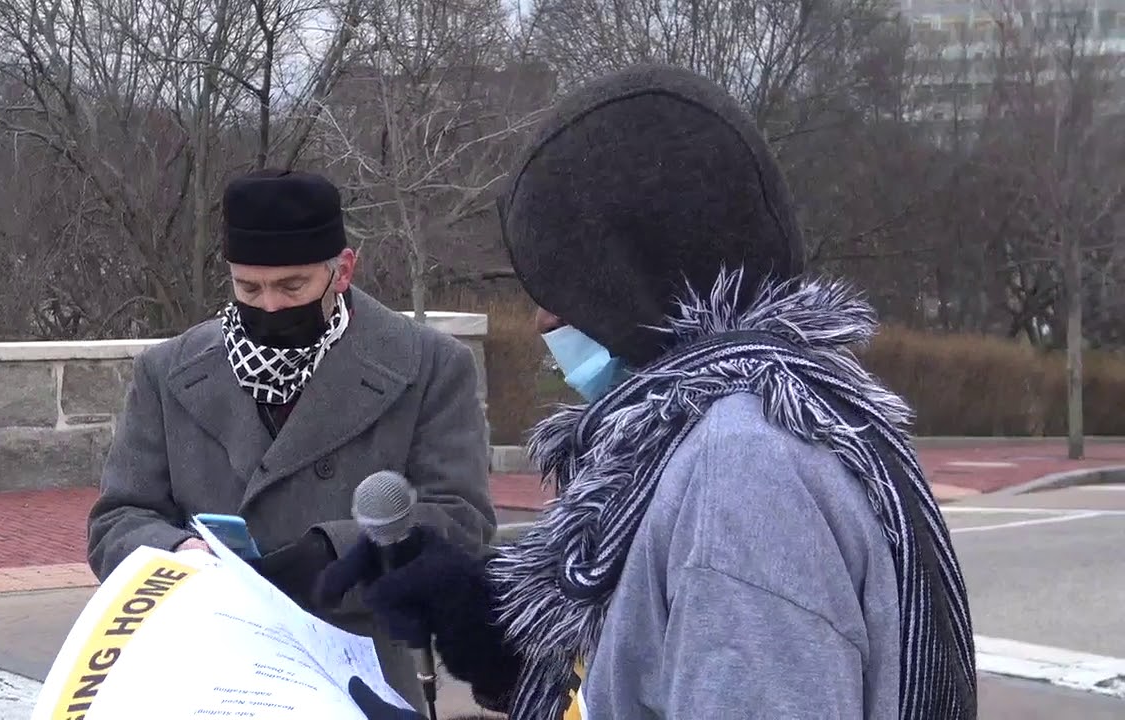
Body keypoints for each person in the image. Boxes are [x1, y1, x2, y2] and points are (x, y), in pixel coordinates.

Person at [316, 65, 978, 719]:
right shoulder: (763, 417)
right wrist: (495, 630)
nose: (543, 319)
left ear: (636, 276)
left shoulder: (743, 469)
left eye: (562, 285)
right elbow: (659, 668)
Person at [86, 168, 496, 710]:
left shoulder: (431, 367)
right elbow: (117, 521)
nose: (270, 307)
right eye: (248, 288)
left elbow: (462, 522)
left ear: (342, 271)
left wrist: (337, 549)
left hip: (358, 679)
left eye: (292, 286)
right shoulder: (168, 371)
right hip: (206, 675)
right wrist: (179, 556)